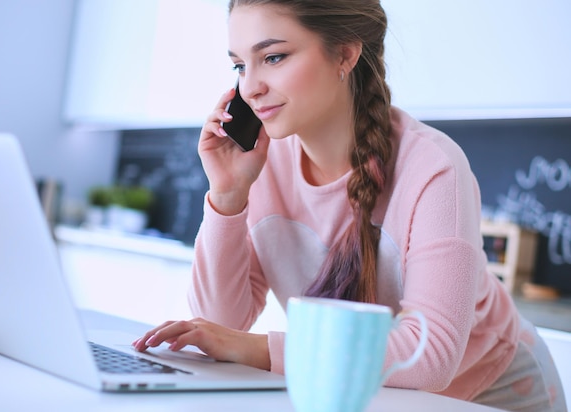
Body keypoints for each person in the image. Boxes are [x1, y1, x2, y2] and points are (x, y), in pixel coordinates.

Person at [133, 1, 567, 410]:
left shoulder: (434, 168)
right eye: (239, 65)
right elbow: (218, 325)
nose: (250, 87)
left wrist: (259, 349)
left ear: (344, 55)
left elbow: (430, 355)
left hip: (489, 391)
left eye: (274, 57)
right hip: (365, 389)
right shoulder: (258, 165)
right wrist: (227, 197)